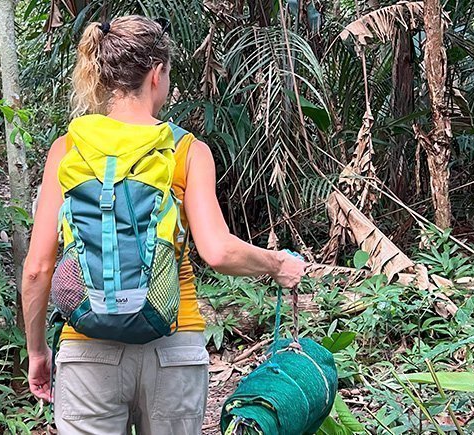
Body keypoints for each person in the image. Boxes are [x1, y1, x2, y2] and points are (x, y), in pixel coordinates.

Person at [20, 15, 307, 435]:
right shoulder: (186, 149)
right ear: (156, 74)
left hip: (87, 349)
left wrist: (37, 351)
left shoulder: (67, 148)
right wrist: (277, 264)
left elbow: (37, 269)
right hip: (173, 347)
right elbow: (218, 251)